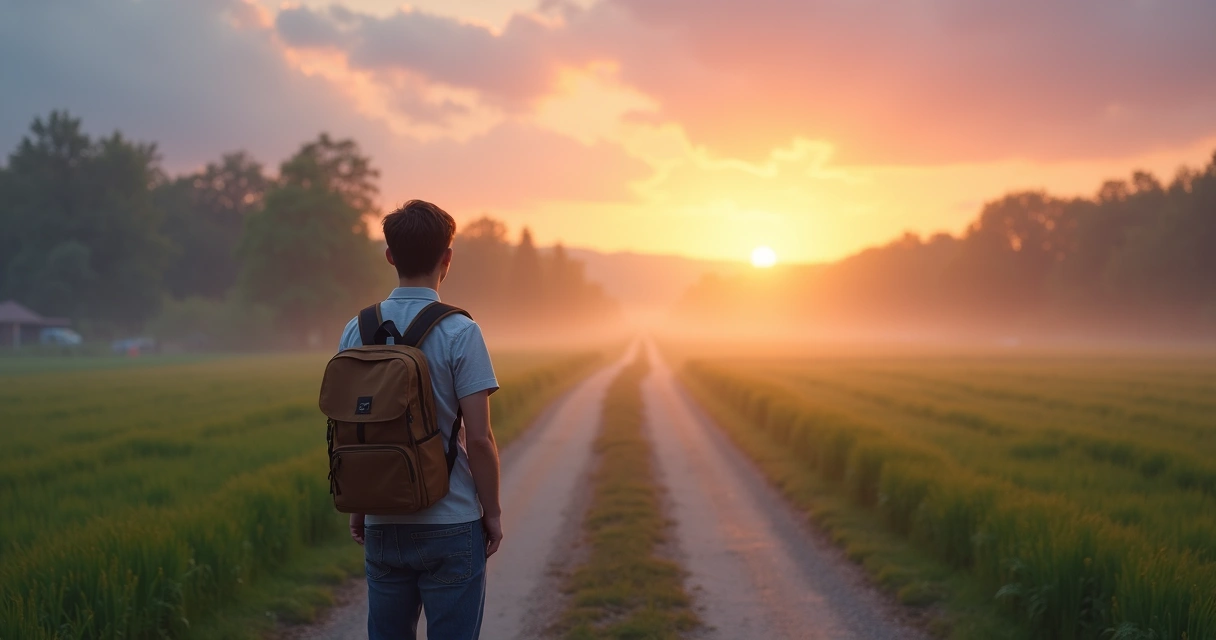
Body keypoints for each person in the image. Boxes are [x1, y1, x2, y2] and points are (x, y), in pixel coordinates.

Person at [338, 200, 503, 640]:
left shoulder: (356, 330)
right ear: (446, 257)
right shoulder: (461, 332)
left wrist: (361, 508)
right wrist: (493, 513)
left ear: (390, 255)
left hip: (382, 521)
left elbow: (357, 429)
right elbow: (481, 439)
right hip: (451, 520)